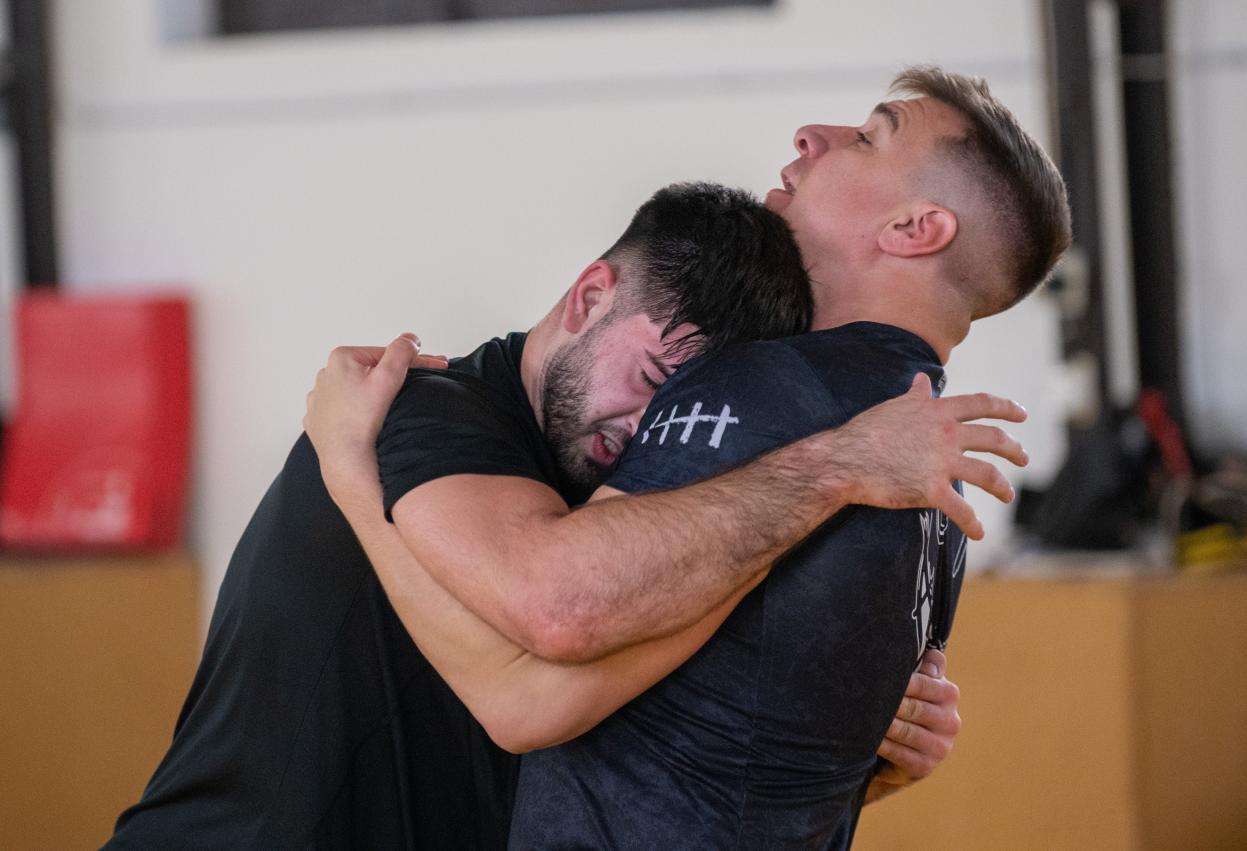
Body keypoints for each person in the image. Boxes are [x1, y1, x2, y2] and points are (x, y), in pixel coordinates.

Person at [107, 182, 1012, 849]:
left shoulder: (628, 521)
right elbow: (534, 686)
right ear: (588, 297)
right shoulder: (417, 414)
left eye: (677, 411)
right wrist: (350, 471)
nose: (644, 427)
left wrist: (861, 755)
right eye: (650, 378)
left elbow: (646, 755)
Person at [307, 65, 1070, 848]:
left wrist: (351, 474)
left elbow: (552, 622)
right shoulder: (935, 488)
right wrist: (873, 773)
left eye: (869, 138)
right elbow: (750, 758)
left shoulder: (775, 394)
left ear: (914, 228)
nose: (814, 136)